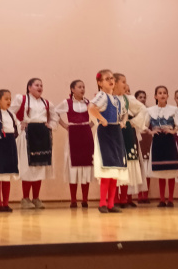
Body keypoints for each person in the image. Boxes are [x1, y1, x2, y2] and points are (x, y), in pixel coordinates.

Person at [13, 79, 59, 209]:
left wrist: (51, 125)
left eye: (41, 85)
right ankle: (25, 198)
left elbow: (55, 117)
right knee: (28, 168)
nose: (40, 87)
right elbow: (10, 113)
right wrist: (19, 124)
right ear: (29, 87)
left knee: (40, 167)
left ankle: (36, 198)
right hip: (28, 135)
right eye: (36, 85)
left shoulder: (47, 103)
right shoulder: (21, 99)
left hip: (42, 136)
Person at [88, 69, 126, 213]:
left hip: (116, 133)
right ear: (100, 83)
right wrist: (101, 119)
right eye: (107, 79)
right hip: (106, 134)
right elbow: (91, 107)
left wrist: (122, 122)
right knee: (107, 168)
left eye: (112, 78)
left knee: (114, 169)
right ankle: (102, 203)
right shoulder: (102, 96)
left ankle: (111, 203)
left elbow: (123, 113)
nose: (111, 81)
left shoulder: (115, 98)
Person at [56, 80, 94, 208]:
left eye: (83, 87)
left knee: (86, 166)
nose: (82, 89)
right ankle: (73, 199)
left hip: (86, 135)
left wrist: (90, 124)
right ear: (72, 89)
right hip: (73, 135)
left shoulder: (89, 103)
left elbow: (97, 116)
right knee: (73, 166)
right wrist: (65, 125)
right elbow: (54, 113)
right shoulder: (67, 103)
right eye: (79, 87)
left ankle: (85, 199)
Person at [143, 86, 178, 207]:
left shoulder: (174, 109)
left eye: (164, 93)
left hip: (169, 141)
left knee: (171, 170)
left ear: (168, 96)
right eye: (160, 93)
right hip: (157, 141)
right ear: (155, 96)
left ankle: (170, 199)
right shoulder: (150, 110)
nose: (162, 95)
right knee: (161, 171)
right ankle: (162, 199)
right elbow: (143, 124)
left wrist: (173, 131)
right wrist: (151, 131)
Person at [114, 73, 144, 208]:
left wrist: (134, 122)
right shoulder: (107, 98)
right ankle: (114, 199)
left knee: (127, 165)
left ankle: (123, 199)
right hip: (112, 132)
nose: (125, 85)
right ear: (115, 83)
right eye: (123, 82)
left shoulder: (128, 99)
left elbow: (143, 109)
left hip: (126, 132)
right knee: (114, 165)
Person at [134, 90, 152, 204]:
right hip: (137, 137)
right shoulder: (133, 110)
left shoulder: (148, 111)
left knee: (147, 169)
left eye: (144, 97)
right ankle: (139, 195)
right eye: (140, 97)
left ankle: (145, 195)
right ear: (136, 98)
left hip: (147, 138)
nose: (143, 99)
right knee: (139, 168)